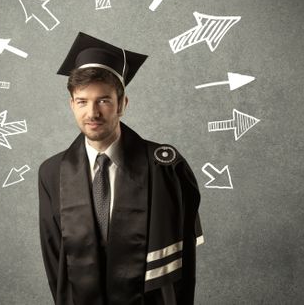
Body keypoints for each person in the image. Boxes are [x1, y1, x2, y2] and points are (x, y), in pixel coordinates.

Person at [38, 32, 203, 305]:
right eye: (82, 101)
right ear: (71, 104)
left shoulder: (164, 166)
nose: (92, 113)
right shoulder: (51, 172)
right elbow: (55, 261)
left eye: (103, 100)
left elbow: (182, 263)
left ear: (122, 104)